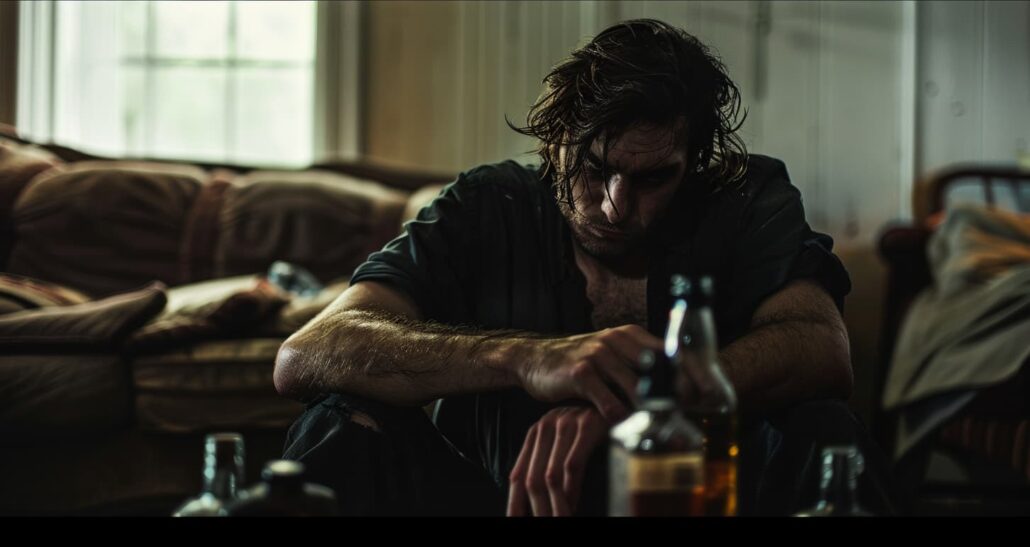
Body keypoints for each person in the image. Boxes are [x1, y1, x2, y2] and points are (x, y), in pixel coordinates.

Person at [273, 19, 895, 516]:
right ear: (554, 143)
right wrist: (529, 358)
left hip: (696, 498)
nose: (615, 205)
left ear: (696, 164)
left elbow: (821, 349)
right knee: (339, 424)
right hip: (501, 502)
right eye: (594, 169)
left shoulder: (746, 198)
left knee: (826, 430)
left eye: (653, 178)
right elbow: (306, 354)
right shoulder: (487, 204)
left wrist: (631, 405)